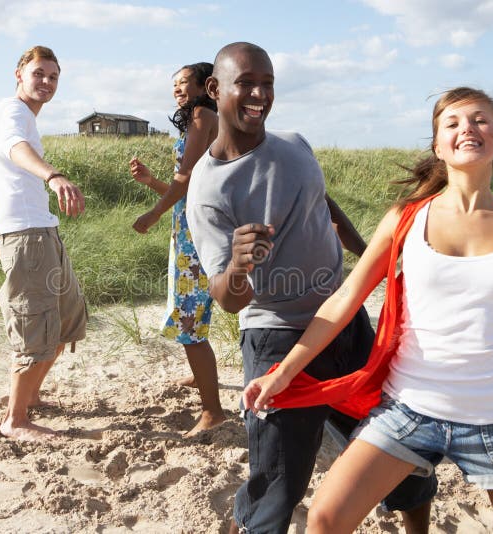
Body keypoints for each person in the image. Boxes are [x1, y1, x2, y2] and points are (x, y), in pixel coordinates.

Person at [244, 86, 493, 533]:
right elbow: (344, 299)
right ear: (438, 145)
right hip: (408, 408)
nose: (467, 128)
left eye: (480, 120)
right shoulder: (405, 219)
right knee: (326, 517)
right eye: (452, 123)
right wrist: (284, 371)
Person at [186, 42, 434, 534]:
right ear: (215, 90)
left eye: (268, 84)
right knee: (278, 481)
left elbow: (326, 205)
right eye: (246, 83)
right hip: (278, 339)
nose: (259, 94)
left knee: (401, 448)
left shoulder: (295, 143)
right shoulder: (209, 189)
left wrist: (374, 259)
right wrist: (238, 265)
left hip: (346, 322)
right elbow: (230, 300)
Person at [0, 45, 87, 441]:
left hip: (40, 233)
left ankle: (30, 396)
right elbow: (16, 149)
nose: (46, 82)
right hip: (27, 238)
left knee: (64, 323)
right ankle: (16, 420)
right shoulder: (12, 113)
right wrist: (53, 175)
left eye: (53, 76)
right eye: (38, 74)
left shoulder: (10, 117)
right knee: (35, 329)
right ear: (19, 74)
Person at [128, 62, 226, 437]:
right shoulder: (198, 119)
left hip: (197, 233)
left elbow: (185, 181)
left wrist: (152, 215)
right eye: (174, 85)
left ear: (207, 84)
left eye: (184, 82)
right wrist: (153, 182)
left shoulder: (203, 114)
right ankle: (204, 377)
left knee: (189, 318)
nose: (177, 89)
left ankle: (212, 411)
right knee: (193, 312)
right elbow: (184, 189)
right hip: (189, 227)